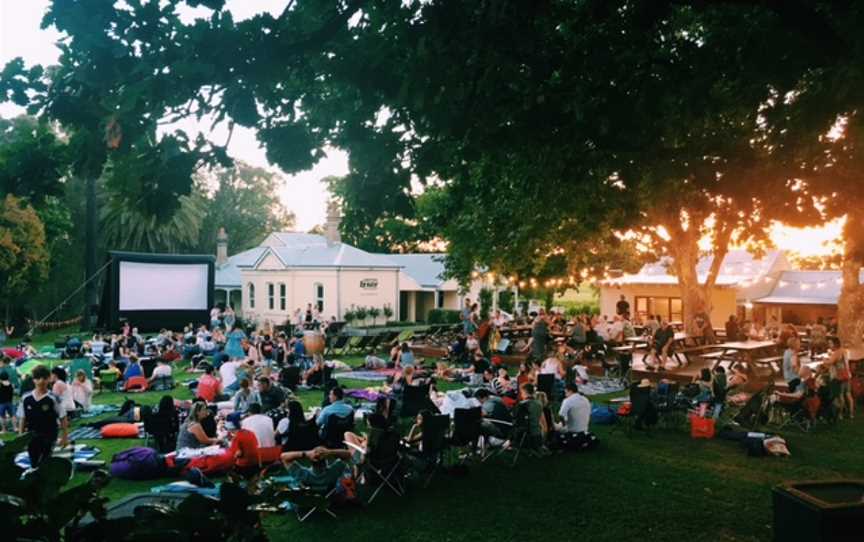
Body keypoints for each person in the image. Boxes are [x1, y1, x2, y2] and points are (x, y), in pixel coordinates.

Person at [18, 364, 68, 467]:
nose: (41, 381)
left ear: (49, 379)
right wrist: (20, 436)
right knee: (34, 462)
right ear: (33, 380)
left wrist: (65, 437)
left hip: (49, 435)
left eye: (44, 378)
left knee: (45, 461)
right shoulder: (26, 398)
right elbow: (22, 418)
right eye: (38, 378)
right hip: (32, 435)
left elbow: (63, 417)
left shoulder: (53, 398)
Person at [280, 446, 353, 494]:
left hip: (308, 499)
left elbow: (283, 457)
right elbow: (348, 454)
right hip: (328, 498)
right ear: (326, 461)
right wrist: (330, 452)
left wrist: (306, 454)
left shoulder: (302, 474)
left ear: (310, 461)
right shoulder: (333, 472)